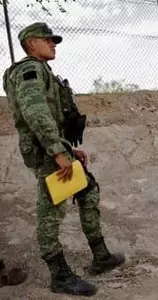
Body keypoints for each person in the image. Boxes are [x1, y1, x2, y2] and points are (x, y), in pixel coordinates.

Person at [2, 22, 125, 296]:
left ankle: (100, 255)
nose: (53, 43)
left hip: (55, 146)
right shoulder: (28, 70)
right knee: (51, 212)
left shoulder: (42, 70)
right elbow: (36, 114)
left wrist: (68, 148)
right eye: (47, 39)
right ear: (31, 43)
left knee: (88, 191)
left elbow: (50, 116)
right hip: (46, 151)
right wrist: (58, 152)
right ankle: (59, 277)